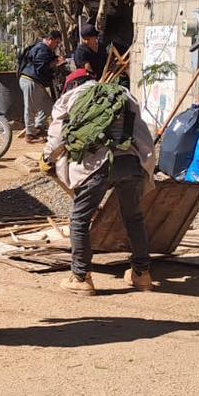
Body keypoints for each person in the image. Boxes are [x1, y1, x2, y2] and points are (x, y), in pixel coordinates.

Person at [41, 78, 156, 294]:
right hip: (129, 161)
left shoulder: (69, 98)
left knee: (79, 220)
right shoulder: (124, 94)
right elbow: (142, 133)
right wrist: (146, 165)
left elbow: (57, 139)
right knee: (133, 217)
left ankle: (81, 277)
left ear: (73, 85)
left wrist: (48, 158)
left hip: (94, 165)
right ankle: (142, 274)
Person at [19, 29, 64, 142]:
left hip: (36, 82)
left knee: (48, 106)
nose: (57, 45)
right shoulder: (42, 48)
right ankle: (30, 134)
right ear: (50, 40)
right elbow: (41, 66)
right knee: (30, 107)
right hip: (30, 80)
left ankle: (38, 128)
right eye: (56, 42)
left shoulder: (45, 49)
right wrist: (55, 63)